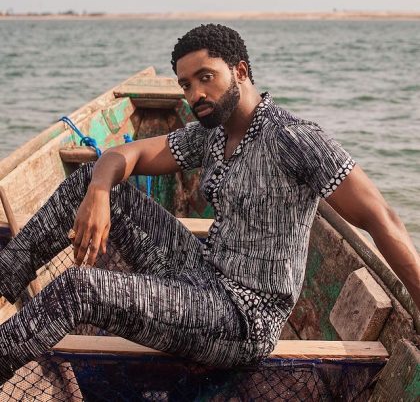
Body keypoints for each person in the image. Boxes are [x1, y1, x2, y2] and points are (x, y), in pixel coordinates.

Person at [0, 24, 419, 384]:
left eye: (206, 77)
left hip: (244, 318)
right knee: (89, 182)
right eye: (186, 85)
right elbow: (126, 155)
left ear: (240, 72)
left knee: (78, 288)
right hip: (201, 273)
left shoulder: (294, 139)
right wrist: (98, 192)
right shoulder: (212, 133)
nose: (196, 94)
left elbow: (380, 218)